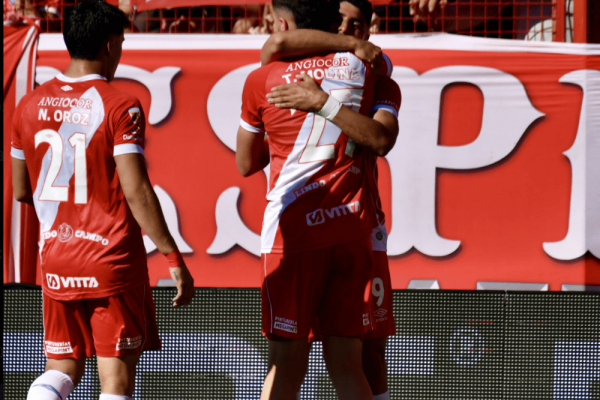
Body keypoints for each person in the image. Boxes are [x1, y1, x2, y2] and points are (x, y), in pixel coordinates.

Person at [10, 1, 195, 399]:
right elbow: (137, 190)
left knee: (61, 368)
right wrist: (173, 258)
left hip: (57, 256)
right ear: (111, 44)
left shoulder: (27, 106)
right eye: (123, 43)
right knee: (115, 383)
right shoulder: (120, 105)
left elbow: (22, 190)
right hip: (111, 259)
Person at [237, 0, 397, 399]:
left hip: (295, 233)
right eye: (341, 24)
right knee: (350, 364)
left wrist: (311, 111)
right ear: (330, 26)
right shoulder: (369, 71)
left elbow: (245, 163)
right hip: (349, 226)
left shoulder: (264, 77)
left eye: (355, 26)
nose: (348, 30)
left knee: (289, 366)